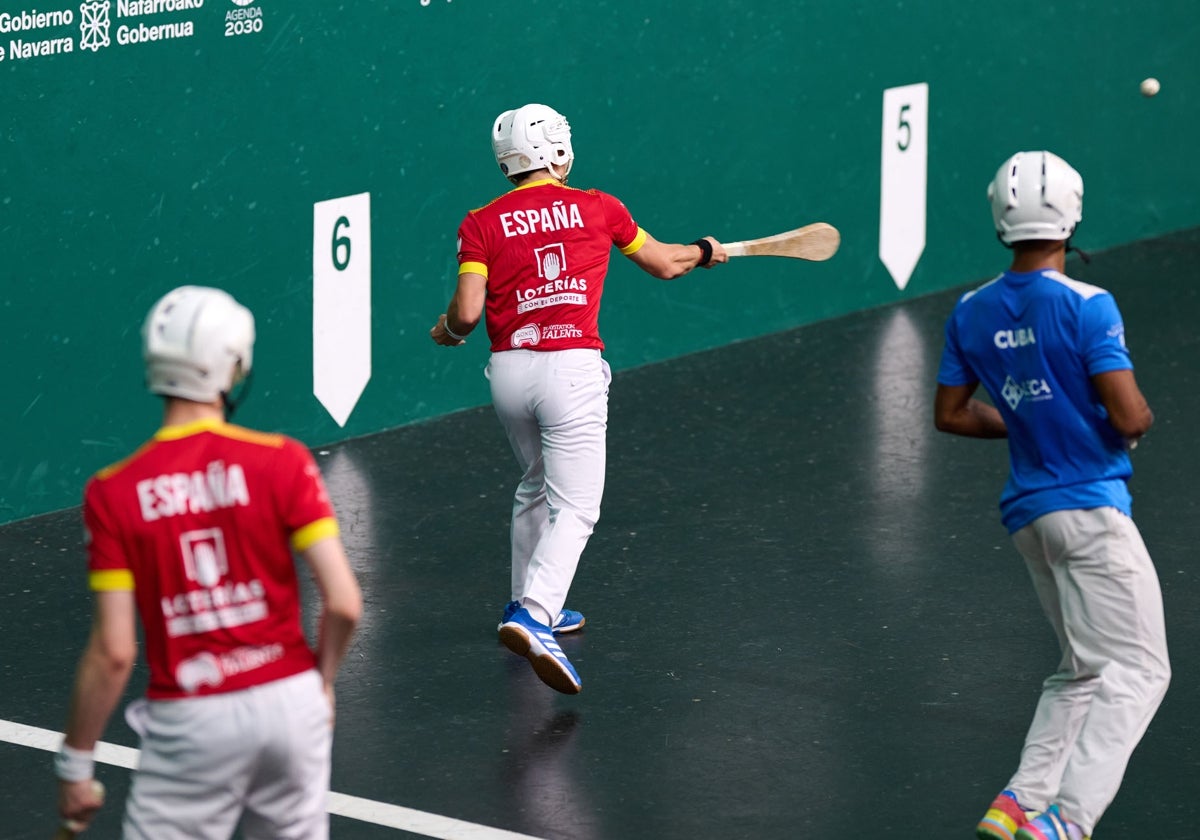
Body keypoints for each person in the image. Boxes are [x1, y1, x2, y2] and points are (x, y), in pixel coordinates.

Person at [430, 103, 727, 694]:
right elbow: (666, 264)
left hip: (510, 373)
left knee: (535, 485)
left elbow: (466, 312)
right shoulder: (599, 206)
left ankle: (526, 600)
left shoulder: (481, 221)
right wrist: (704, 249)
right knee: (580, 508)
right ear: (557, 151)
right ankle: (534, 615)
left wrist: (449, 331)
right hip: (571, 370)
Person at [55, 286, 362, 838]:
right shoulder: (283, 461)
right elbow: (343, 604)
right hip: (291, 703)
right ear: (232, 367)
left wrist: (75, 766)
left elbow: (115, 652)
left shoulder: (113, 492)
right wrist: (321, 683)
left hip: (192, 719)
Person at [933, 151, 1170, 840]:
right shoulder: (1088, 305)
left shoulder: (971, 311)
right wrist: (1139, 421)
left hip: (1030, 516)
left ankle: (1018, 802)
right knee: (1140, 671)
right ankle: (1066, 818)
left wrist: (1031, 417)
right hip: (1092, 512)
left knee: (1081, 670)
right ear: (1072, 216)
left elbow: (950, 414)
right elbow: (1129, 417)